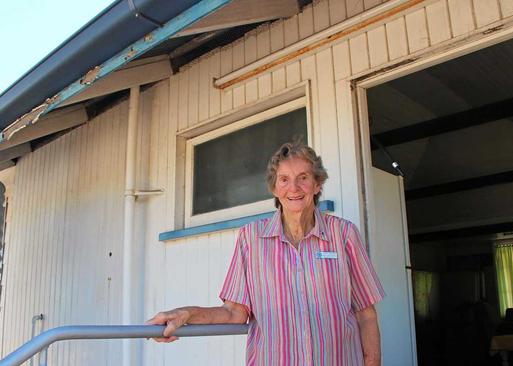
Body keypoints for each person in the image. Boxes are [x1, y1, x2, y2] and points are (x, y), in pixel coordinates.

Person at [147, 140, 385, 366]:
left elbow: (366, 315)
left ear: (317, 184)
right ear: (274, 188)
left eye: (303, 178)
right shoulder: (251, 238)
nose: (294, 188)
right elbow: (234, 313)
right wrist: (185, 314)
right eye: (284, 179)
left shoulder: (343, 234)